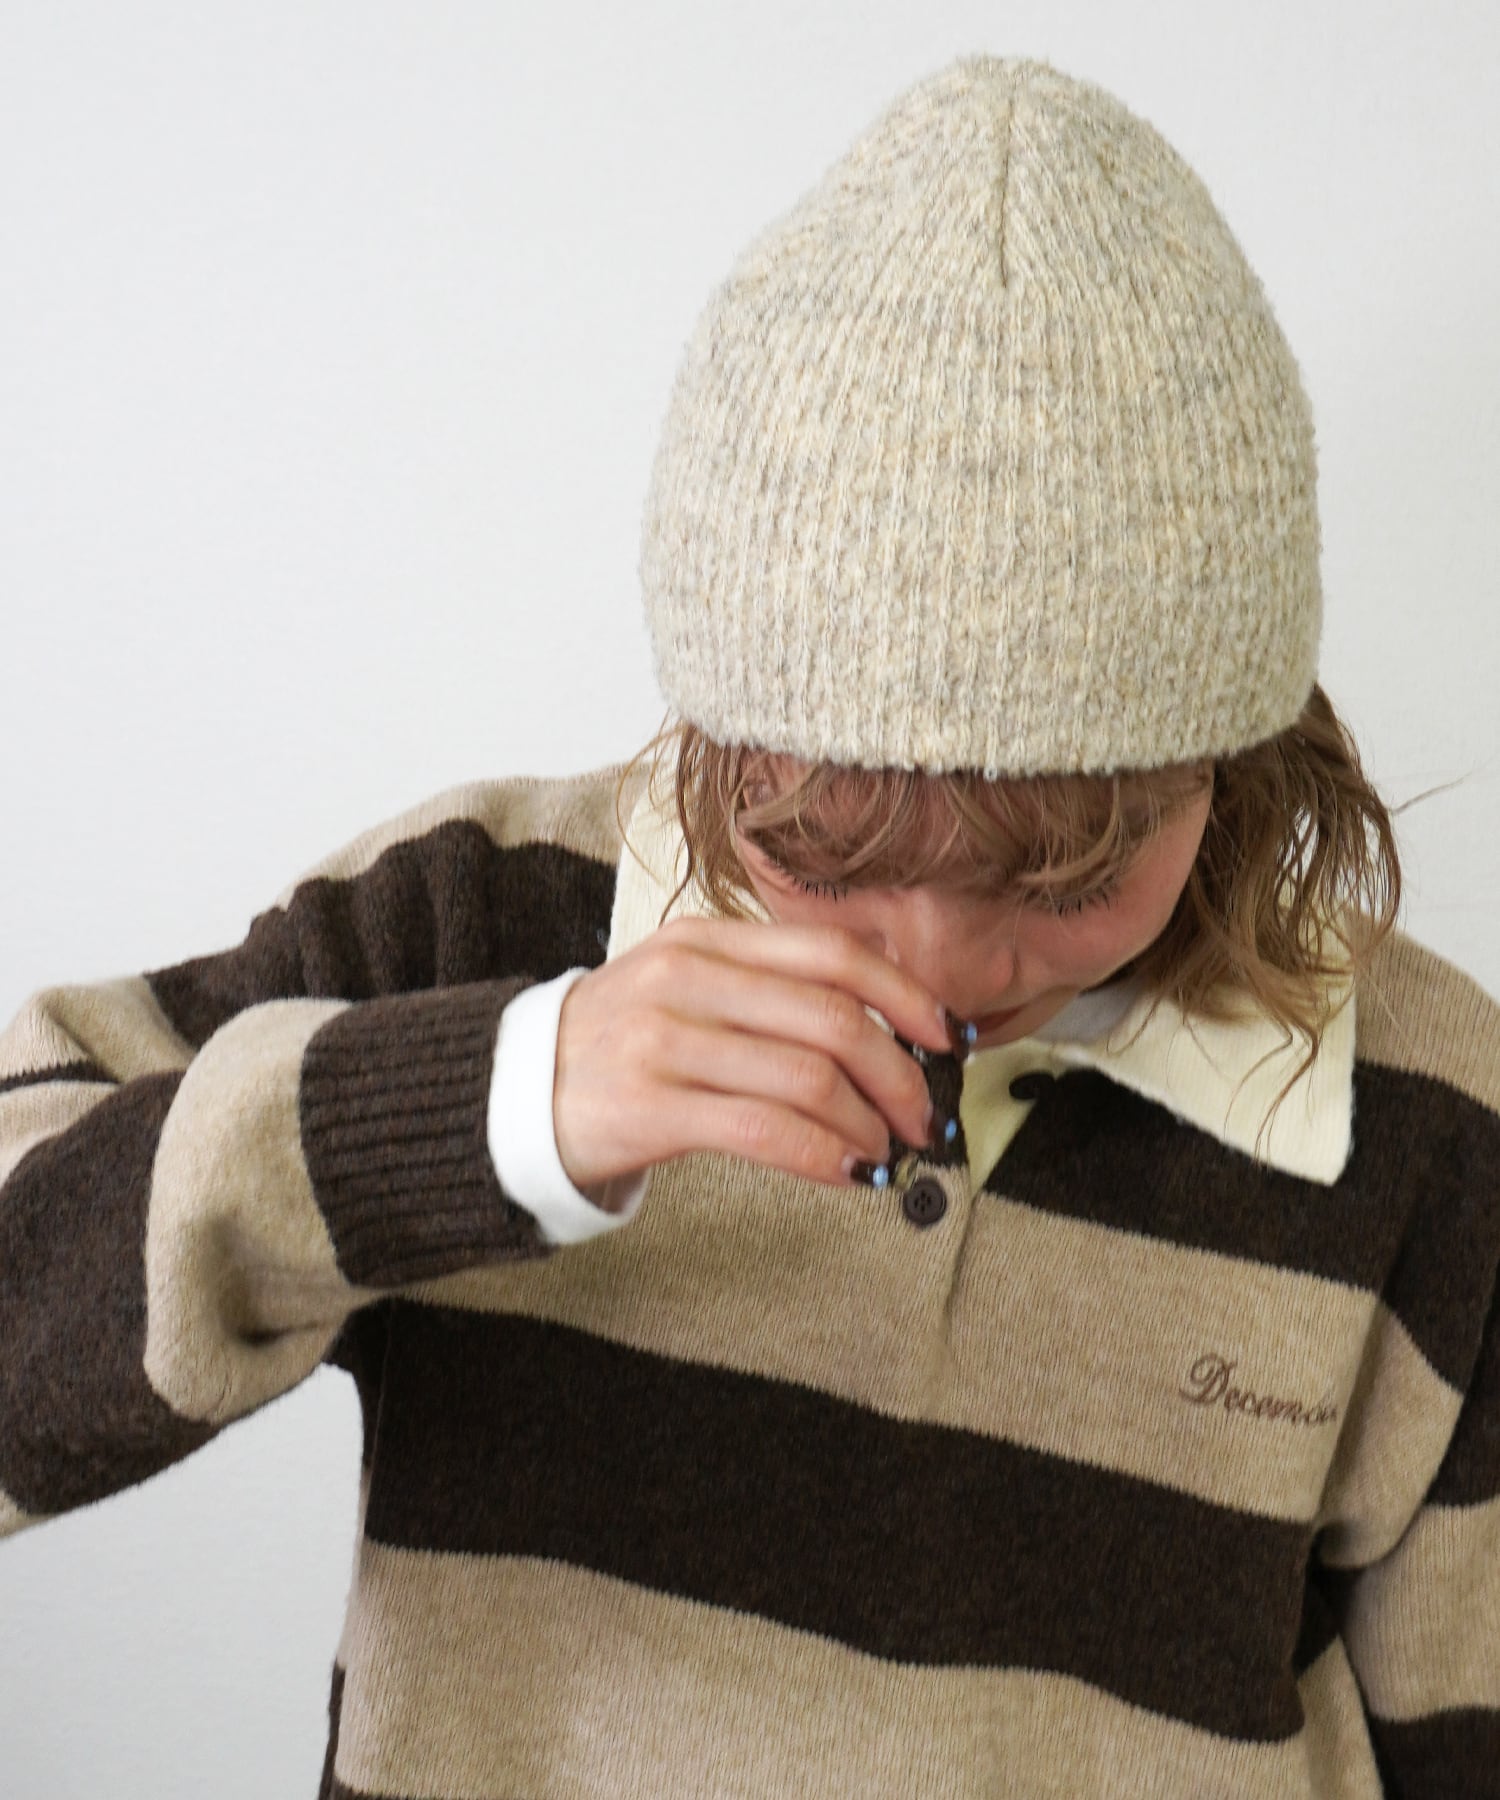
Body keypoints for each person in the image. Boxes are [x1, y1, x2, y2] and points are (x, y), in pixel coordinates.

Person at [1, 52, 1495, 1800]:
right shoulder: (479, 925)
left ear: (1232, 757)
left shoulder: (1428, 1122)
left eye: (1062, 878)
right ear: (721, 728)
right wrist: (489, 1110)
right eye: (825, 850)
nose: (933, 973)